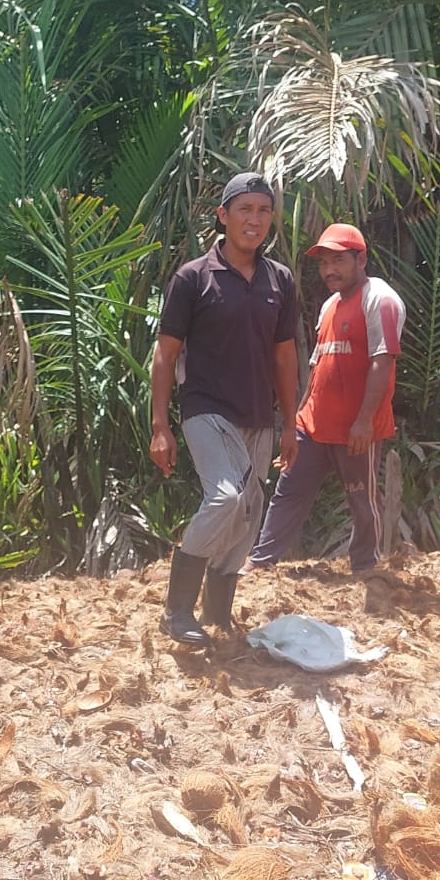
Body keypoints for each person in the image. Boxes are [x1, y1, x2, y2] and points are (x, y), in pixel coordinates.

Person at [149, 172, 300, 645]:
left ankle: (216, 613)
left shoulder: (280, 280)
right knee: (227, 498)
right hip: (205, 410)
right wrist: (159, 426)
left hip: (257, 415)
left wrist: (291, 424)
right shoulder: (193, 277)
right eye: (244, 209)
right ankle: (176, 610)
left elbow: (284, 356)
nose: (254, 220)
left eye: (263, 210)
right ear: (223, 216)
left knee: (249, 513)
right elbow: (165, 353)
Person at [242, 222, 404, 574]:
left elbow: (383, 360)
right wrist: (295, 423)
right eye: (324, 263)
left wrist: (363, 421)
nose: (329, 270)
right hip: (313, 425)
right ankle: (261, 561)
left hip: (356, 429)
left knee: (361, 498)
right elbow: (318, 368)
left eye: (338, 261)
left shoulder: (380, 298)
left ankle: (365, 566)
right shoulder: (330, 305)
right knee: (289, 491)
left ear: (361, 260)